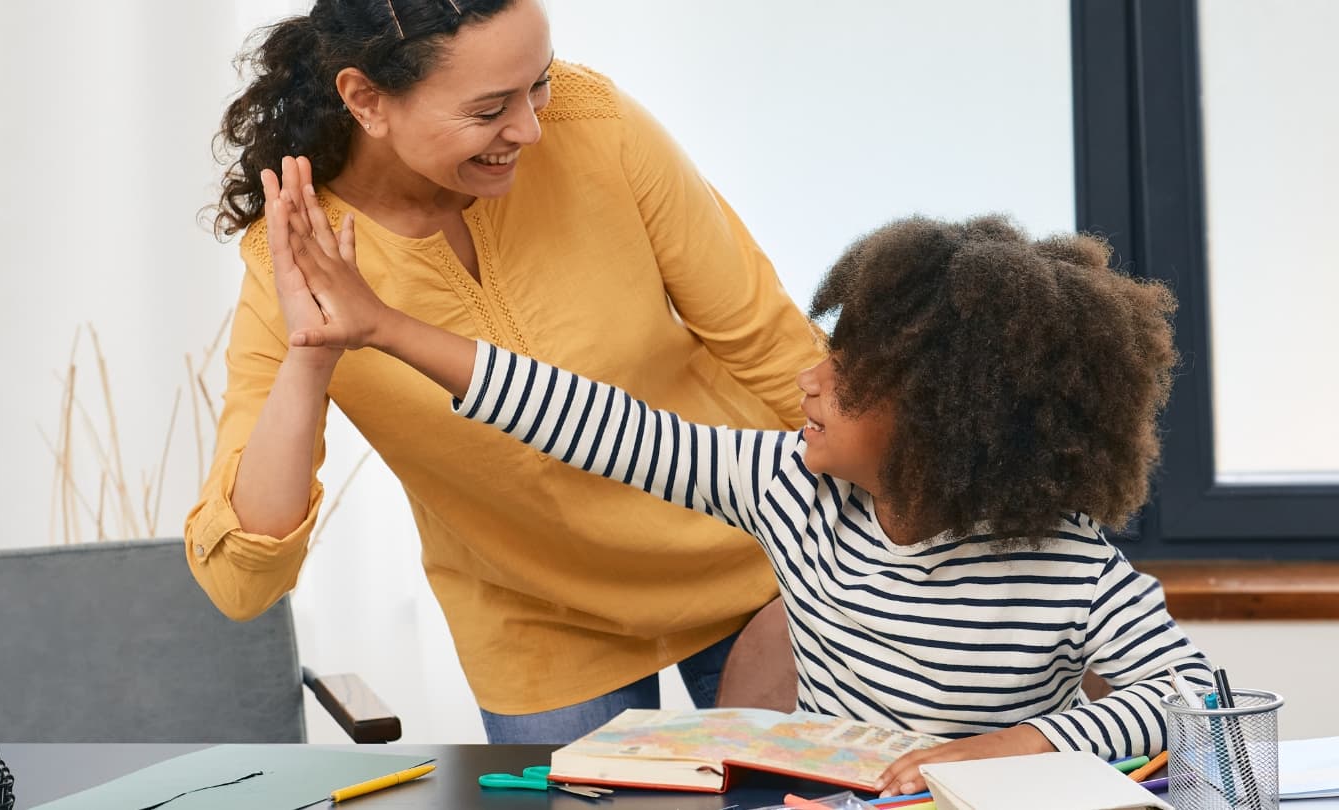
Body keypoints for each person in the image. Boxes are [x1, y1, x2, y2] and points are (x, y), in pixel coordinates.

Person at [268, 196, 1215, 796]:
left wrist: (1006, 747)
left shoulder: (1064, 562)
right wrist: (386, 327)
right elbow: (594, 421)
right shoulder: (791, 492)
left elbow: (1192, 694)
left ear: (944, 421)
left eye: (847, 376)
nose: (810, 380)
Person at [186, 0, 827, 743]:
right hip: (541, 625)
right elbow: (242, 582)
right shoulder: (298, 260)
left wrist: (905, 524)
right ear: (365, 99)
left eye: (539, 84)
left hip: (757, 558)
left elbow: (773, 343)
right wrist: (312, 357)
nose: (529, 128)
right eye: (490, 108)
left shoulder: (595, 125)